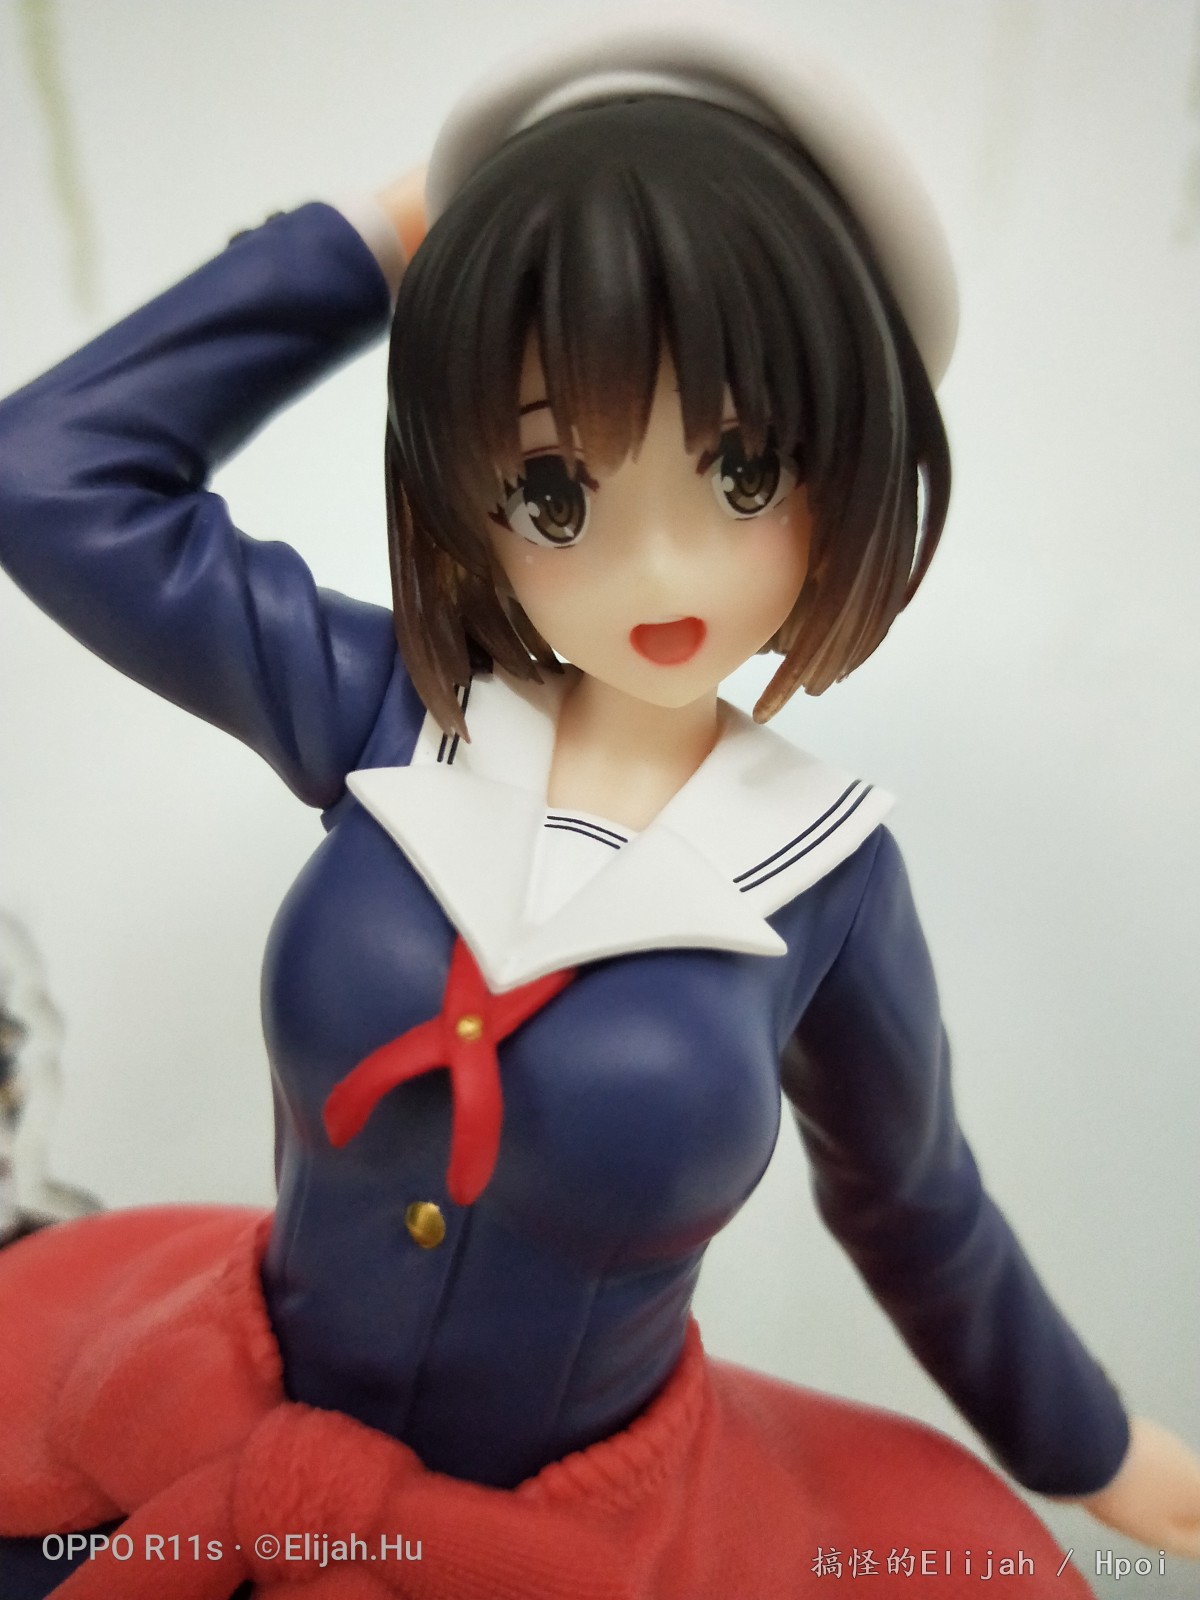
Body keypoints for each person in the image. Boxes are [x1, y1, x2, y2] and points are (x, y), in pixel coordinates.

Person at [0, 17, 1197, 1598]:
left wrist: (1092, 1446)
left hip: (568, 1544)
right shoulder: (388, 713)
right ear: (464, 488)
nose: (658, 571)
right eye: (556, 491)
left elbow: (915, 1203)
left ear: (848, 470)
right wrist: (383, 244)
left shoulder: (826, 881)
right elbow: (51, 479)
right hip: (198, 1435)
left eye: (745, 474)